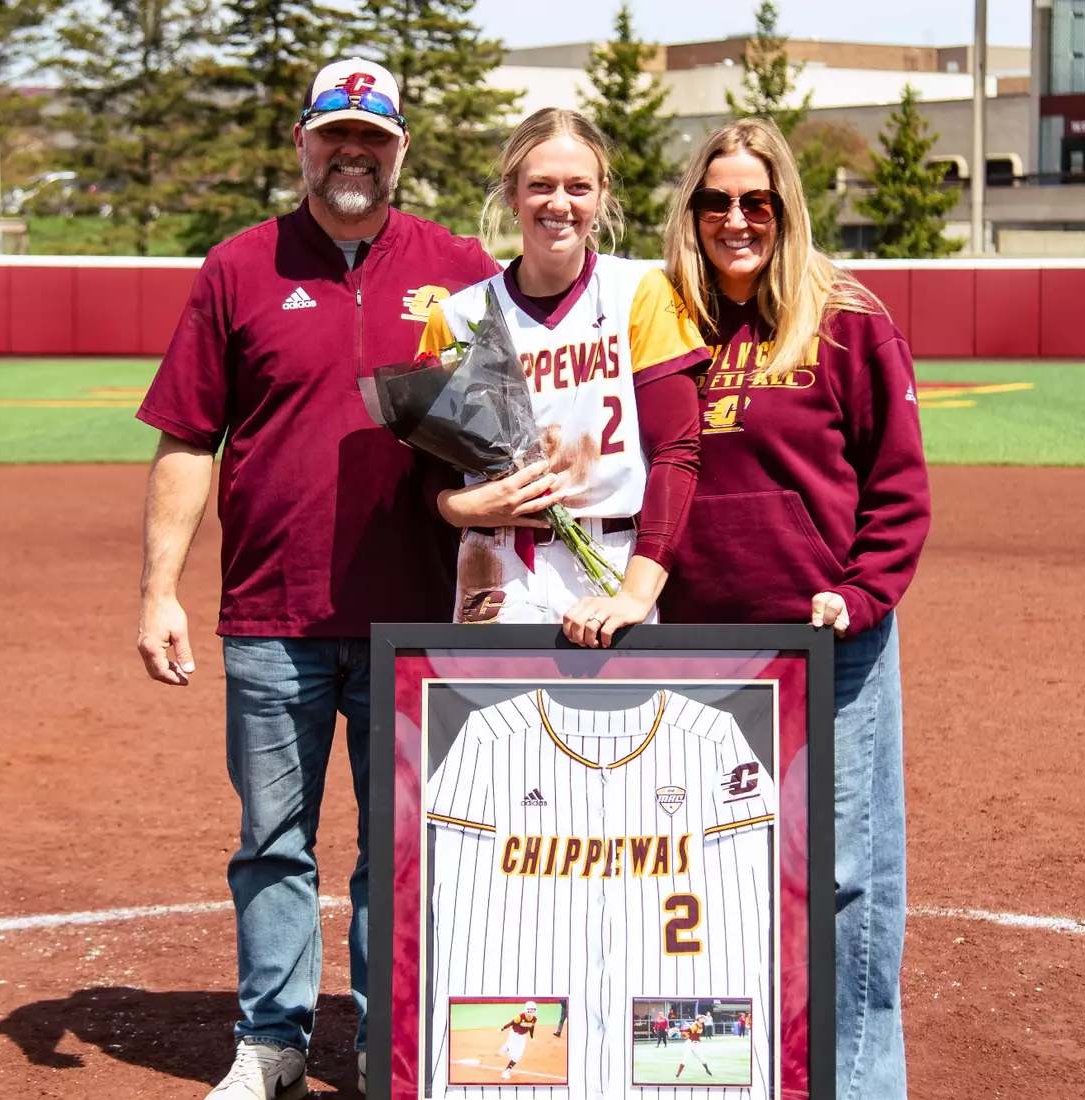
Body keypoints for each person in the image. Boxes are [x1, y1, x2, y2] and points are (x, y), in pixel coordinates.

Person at [133, 57, 496, 1100]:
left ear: (400, 152)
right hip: (272, 613)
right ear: (303, 143)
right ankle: (273, 1039)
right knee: (272, 841)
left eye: (373, 139)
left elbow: (503, 434)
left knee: (401, 846)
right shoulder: (239, 267)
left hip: (415, 617)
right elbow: (188, 437)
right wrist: (159, 588)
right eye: (335, 134)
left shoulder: (462, 268)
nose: (353, 154)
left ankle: (391, 1036)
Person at [655, 118, 931, 1100]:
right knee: (704, 873)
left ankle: (859, 1080)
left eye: (757, 202)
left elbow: (899, 488)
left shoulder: (849, 321)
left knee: (849, 875)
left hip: (829, 647)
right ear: (692, 213)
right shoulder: (668, 326)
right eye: (717, 201)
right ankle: (713, 1072)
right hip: (697, 655)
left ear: (785, 211)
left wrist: (857, 597)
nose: (738, 219)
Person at [417, 107, 709, 632]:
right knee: (495, 716)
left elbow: (677, 453)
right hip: (494, 562)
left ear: (601, 194)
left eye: (578, 187)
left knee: (616, 718)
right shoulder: (457, 316)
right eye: (540, 185)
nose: (560, 203)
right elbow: (428, 473)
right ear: (511, 193)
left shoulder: (640, 292)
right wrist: (459, 508)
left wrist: (638, 593)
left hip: (611, 558)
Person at [496, 1000, 538, 1080]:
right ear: (526, 1009)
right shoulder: (520, 1017)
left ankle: (507, 1070)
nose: (531, 1012)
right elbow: (511, 1023)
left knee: (517, 1056)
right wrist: (501, 1029)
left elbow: (532, 1028)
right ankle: (508, 1047)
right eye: (530, 1010)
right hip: (514, 1035)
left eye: (533, 1010)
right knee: (513, 1055)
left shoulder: (534, 1019)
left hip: (522, 1037)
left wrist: (532, 1037)